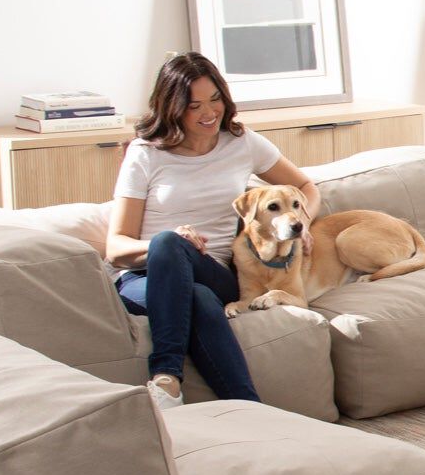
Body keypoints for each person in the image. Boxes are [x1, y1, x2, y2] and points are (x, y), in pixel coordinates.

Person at [107, 53, 320, 410]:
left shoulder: (241, 142)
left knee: (200, 285)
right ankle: (248, 409)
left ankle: (166, 380)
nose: (209, 113)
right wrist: (174, 240)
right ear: (172, 107)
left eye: (215, 99)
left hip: (215, 271)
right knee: (183, 268)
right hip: (147, 276)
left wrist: (305, 223)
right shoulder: (145, 153)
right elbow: (116, 248)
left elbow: (305, 186)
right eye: (194, 106)